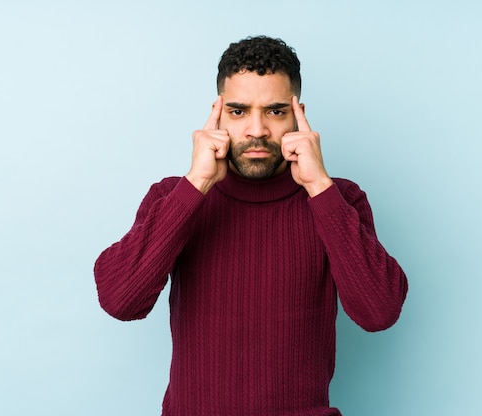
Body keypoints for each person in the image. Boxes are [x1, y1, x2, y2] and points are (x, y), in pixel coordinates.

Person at [94, 35, 408, 416]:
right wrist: (195, 185)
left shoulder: (338, 199)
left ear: (298, 115)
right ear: (217, 114)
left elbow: (379, 312)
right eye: (239, 111)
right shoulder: (175, 196)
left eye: (275, 111)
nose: (256, 130)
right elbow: (120, 301)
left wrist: (319, 187)